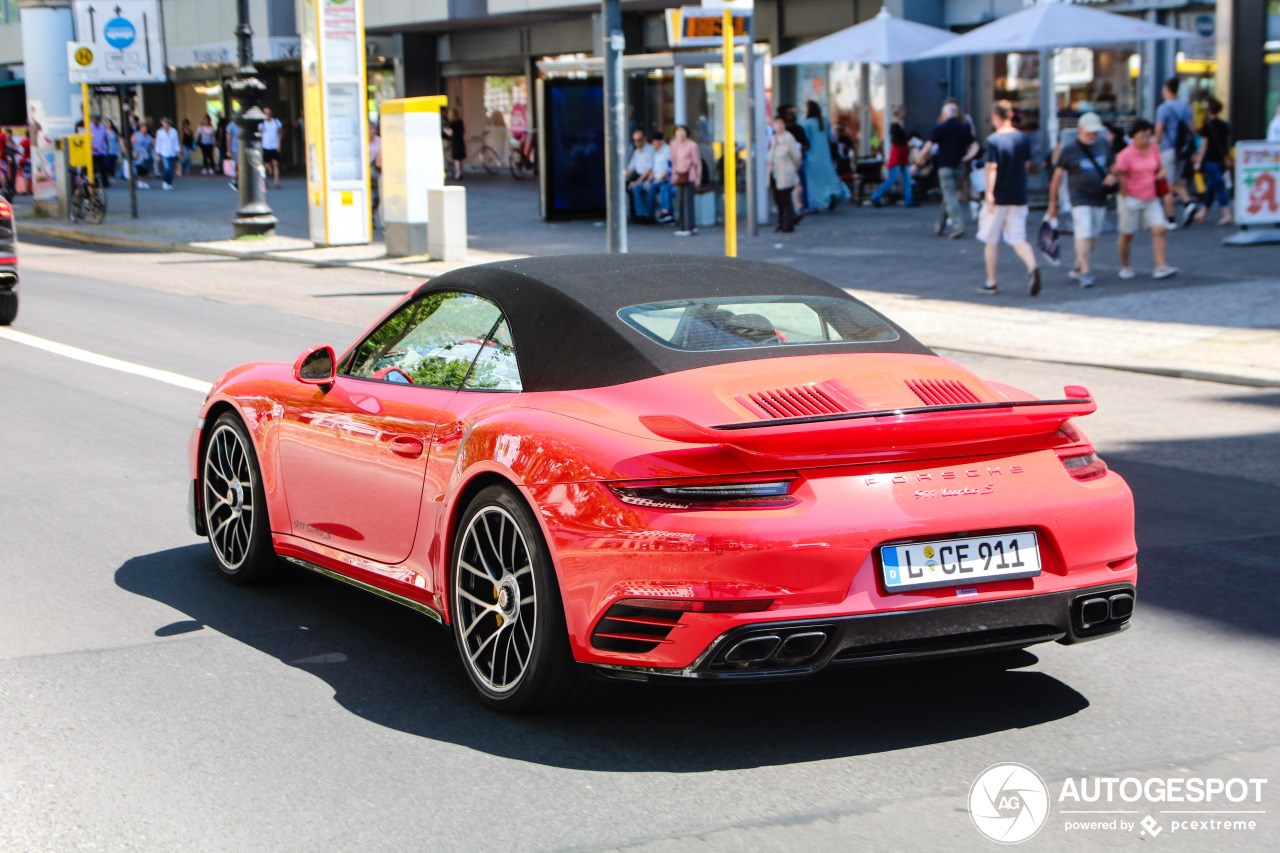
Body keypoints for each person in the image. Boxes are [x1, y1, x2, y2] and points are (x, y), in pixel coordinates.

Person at [1046, 112, 1117, 288]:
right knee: (1083, 231)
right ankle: (1085, 270)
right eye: (1089, 132)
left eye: (1094, 132)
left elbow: (1113, 166)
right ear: (1080, 130)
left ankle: (1079, 264)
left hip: (1099, 195)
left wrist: (1113, 176)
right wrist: (1053, 202)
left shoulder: (1103, 144)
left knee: (1093, 234)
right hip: (1079, 196)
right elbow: (1057, 177)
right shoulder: (1069, 150)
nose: (1092, 135)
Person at [977, 101, 1040, 296]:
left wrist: (989, 192)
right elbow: (1027, 165)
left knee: (991, 239)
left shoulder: (994, 140)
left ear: (996, 116)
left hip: (999, 196)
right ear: (1011, 115)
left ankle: (991, 281)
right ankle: (1032, 266)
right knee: (1018, 238)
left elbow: (992, 167)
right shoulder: (1022, 139)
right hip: (1018, 194)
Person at [1113, 119, 1177, 280]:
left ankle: (1160, 266)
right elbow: (1120, 175)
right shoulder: (1126, 154)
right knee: (1127, 234)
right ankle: (1125, 265)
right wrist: (1124, 195)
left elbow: (1159, 167)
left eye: (1149, 136)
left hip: (1150, 196)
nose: (1146, 140)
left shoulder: (1154, 149)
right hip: (1131, 197)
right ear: (1134, 136)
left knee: (1160, 229)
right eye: (1143, 136)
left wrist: (1161, 172)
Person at [917, 102, 978, 238]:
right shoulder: (964, 128)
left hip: (945, 166)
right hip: (959, 167)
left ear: (945, 114)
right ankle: (940, 225)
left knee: (950, 196)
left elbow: (928, 146)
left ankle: (958, 226)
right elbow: (975, 145)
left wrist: (919, 161)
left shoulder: (940, 128)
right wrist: (968, 156)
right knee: (948, 195)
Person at [1153, 77, 1199, 228]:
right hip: (1182, 150)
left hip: (1167, 149)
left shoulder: (1163, 109)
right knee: (1176, 181)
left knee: (1167, 184)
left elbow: (1158, 132)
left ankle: (1170, 218)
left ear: (1166, 89)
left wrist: (1154, 149)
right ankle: (1188, 203)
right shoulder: (1186, 107)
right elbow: (1192, 130)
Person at [801, 100, 846, 211]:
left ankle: (816, 203)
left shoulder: (807, 123)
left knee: (814, 182)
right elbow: (831, 137)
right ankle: (830, 196)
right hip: (825, 156)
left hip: (812, 155)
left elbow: (806, 140)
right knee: (827, 179)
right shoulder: (824, 122)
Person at [1193, 98, 1232, 226]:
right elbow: (1226, 144)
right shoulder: (1224, 125)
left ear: (1209, 109)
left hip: (1210, 160)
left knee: (1219, 187)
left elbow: (1204, 145)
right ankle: (1202, 213)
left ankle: (1227, 215)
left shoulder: (1207, 125)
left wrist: (1198, 160)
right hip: (1221, 160)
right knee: (1211, 186)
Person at [870, 105, 914, 207]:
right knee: (893, 178)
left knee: (905, 177)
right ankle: (876, 196)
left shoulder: (897, 125)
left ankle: (909, 199)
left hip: (901, 153)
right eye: (903, 112)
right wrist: (906, 143)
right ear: (900, 112)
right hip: (898, 153)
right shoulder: (895, 126)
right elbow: (895, 140)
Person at [768, 116, 803, 233]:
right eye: (777, 123)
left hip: (785, 173)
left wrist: (793, 169)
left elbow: (796, 156)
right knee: (778, 200)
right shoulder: (773, 139)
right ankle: (781, 223)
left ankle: (788, 224)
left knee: (786, 199)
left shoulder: (788, 138)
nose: (779, 126)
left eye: (781, 123)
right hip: (774, 174)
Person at [668, 124, 702, 236]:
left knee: (688, 202)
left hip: (690, 175)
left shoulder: (692, 145)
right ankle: (682, 226)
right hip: (679, 175)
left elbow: (697, 163)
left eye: (682, 131)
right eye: (678, 131)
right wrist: (673, 175)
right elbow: (674, 162)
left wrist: (698, 176)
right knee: (680, 201)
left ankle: (690, 227)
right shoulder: (675, 145)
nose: (680, 133)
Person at [641, 132, 673, 223]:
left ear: (658, 141)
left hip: (665, 179)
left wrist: (657, 180)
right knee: (642, 187)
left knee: (653, 188)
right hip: (656, 178)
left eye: (653, 142)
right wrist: (648, 180)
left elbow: (667, 169)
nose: (651, 144)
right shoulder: (656, 152)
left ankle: (651, 215)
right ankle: (645, 214)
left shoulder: (667, 150)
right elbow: (654, 170)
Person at [625, 129, 654, 220]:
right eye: (635, 140)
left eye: (639, 140)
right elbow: (631, 168)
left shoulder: (650, 150)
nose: (637, 142)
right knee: (626, 186)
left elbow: (649, 170)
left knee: (636, 188)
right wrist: (622, 177)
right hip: (638, 175)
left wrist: (636, 182)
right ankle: (634, 213)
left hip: (647, 177)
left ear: (644, 139)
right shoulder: (636, 152)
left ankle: (643, 214)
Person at [154, 117, 181, 190]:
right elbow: (158, 143)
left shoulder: (174, 131)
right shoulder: (159, 132)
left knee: (171, 169)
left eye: (166, 123)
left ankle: (169, 182)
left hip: (172, 152)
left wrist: (177, 151)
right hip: (164, 152)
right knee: (167, 168)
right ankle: (164, 181)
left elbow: (176, 142)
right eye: (164, 123)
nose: (165, 124)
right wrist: (157, 153)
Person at [261, 106, 283, 188]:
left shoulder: (276, 122)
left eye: (268, 112)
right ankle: (265, 181)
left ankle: (276, 182)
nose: (267, 114)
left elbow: (280, 133)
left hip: (274, 146)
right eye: (265, 113)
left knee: (276, 164)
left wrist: (279, 144)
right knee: (266, 165)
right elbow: (260, 135)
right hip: (265, 146)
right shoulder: (262, 124)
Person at [443, 108, 465, 180]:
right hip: (461, 141)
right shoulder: (460, 121)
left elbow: (450, 133)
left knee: (456, 159)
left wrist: (445, 130)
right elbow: (464, 131)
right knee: (460, 159)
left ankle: (458, 173)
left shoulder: (452, 123)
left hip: (455, 141)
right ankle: (460, 172)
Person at [89, 115, 110, 189]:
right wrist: (91, 147)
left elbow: (105, 137)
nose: (96, 121)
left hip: (100, 151)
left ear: (99, 120)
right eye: (94, 119)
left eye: (97, 120)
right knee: (93, 169)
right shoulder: (89, 127)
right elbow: (86, 140)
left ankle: (105, 183)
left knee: (103, 168)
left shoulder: (102, 127)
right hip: (91, 152)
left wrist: (107, 146)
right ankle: (95, 183)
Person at [131, 123, 153, 189]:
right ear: (140, 128)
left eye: (145, 128)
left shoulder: (149, 136)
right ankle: (140, 180)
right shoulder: (136, 135)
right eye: (143, 127)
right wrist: (132, 152)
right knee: (139, 167)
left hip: (147, 154)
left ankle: (145, 181)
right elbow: (131, 143)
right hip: (138, 153)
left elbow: (152, 144)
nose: (144, 129)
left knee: (146, 168)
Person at [368, 123, 382, 230]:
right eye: (370, 129)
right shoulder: (362, 141)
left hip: (375, 171)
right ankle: (369, 218)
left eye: (374, 129)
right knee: (368, 196)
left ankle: (371, 214)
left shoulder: (379, 141)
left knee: (376, 197)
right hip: (365, 171)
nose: (373, 131)